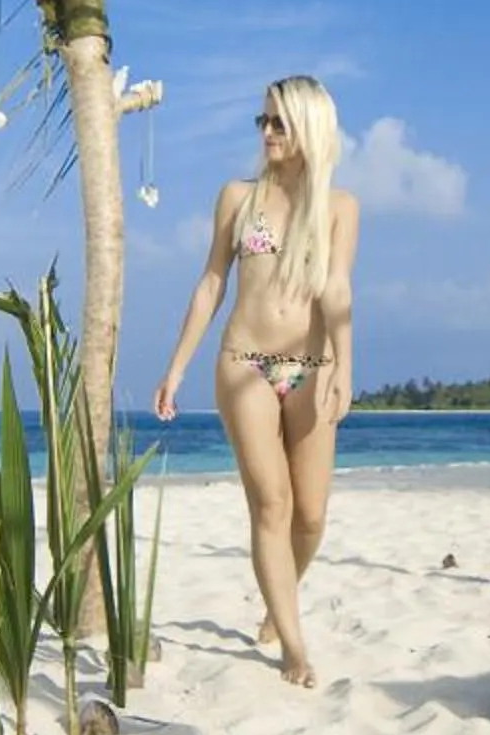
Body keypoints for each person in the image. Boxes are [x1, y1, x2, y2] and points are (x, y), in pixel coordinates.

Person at [152, 75, 361, 688]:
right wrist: (177, 366)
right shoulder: (237, 197)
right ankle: (293, 648)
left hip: (313, 367)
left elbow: (338, 289)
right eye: (262, 122)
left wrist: (346, 364)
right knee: (272, 505)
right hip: (243, 363)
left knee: (312, 517)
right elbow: (211, 282)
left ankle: (279, 599)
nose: (266, 132)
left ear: (309, 128)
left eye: (279, 122)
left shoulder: (340, 208)